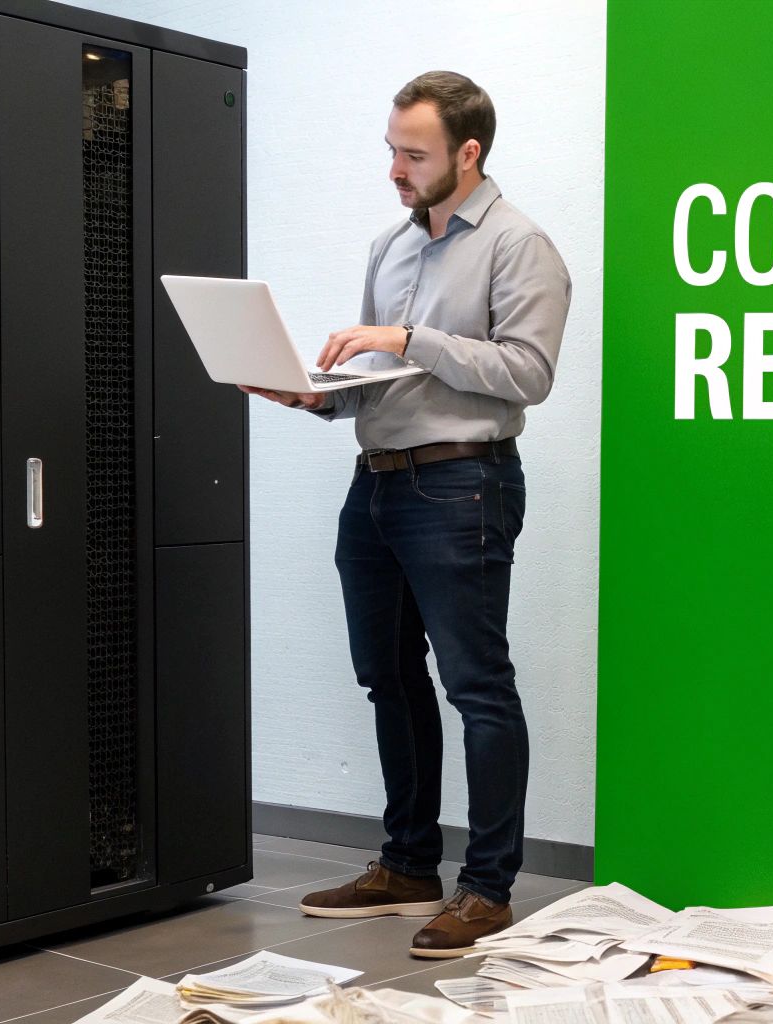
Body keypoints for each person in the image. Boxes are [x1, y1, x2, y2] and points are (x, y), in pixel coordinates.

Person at [239, 70, 571, 958]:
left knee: (478, 687)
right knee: (387, 676)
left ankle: (489, 888)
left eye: (413, 153)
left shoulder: (519, 244)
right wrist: (316, 398)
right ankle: (408, 864)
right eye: (391, 148)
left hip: (465, 485)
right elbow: (383, 382)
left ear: (468, 153)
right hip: (378, 481)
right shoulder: (391, 247)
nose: (395, 167)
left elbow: (527, 373)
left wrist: (406, 338)